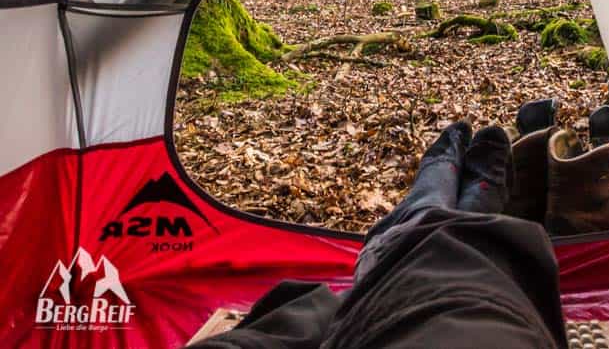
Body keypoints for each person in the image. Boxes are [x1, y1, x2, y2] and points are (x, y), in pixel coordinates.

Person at [191, 121, 569, 348]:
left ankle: (444, 201)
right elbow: (317, 313)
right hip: (479, 311)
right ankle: (440, 202)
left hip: (443, 303)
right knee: (422, 241)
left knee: (423, 245)